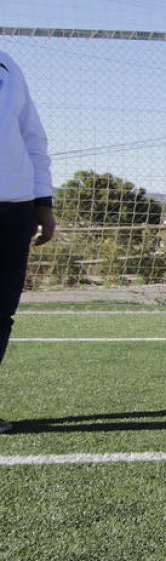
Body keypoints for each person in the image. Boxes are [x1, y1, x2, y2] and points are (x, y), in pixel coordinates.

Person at [0, 50, 55, 435]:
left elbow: (32, 138)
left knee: (1, 312)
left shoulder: (8, 65)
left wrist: (42, 202)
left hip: (14, 208)